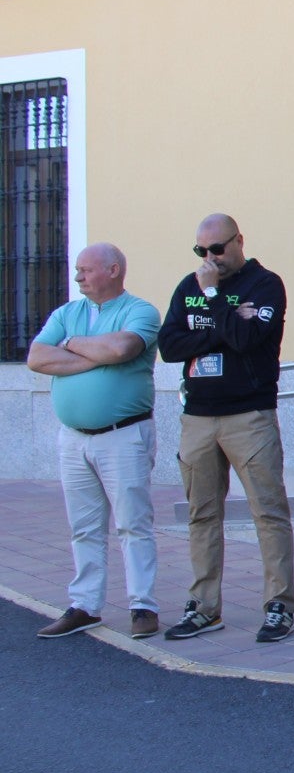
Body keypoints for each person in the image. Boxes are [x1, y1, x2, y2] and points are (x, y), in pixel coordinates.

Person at [156, 214, 294, 643]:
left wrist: (217, 300)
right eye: (201, 251)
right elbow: (169, 346)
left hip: (249, 415)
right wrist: (229, 321)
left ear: (239, 241)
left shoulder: (265, 284)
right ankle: (203, 606)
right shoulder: (189, 286)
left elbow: (249, 341)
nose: (209, 258)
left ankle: (279, 606)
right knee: (202, 513)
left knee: (268, 511)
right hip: (197, 415)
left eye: (217, 249)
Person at [27, 244, 163, 641]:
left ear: (113, 270)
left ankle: (143, 606)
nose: (77, 277)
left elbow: (123, 349)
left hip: (124, 436)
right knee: (84, 526)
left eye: (86, 270)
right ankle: (85, 605)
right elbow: (36, 357)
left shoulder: (140, 311)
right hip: (73, 439)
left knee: (133, 523)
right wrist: (94, 354)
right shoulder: (66, 313)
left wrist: (69, 345)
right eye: (77, 270)